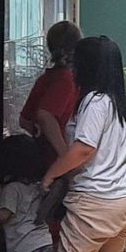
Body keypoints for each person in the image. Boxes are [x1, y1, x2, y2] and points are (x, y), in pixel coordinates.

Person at [41, 36, 126, 252]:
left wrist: (52, 173)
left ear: (86, 65)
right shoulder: (116, 102)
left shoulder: (94, 101)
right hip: (123, 198)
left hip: (96, 202)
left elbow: (84, 149)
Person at [0, 135, 53, 252]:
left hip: (23, 247)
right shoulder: (38, 185)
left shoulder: (12, 189)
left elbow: (3, 215)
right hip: (44, 242)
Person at [20, 20, 82, 162]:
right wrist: (65, 155)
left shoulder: (47, 78)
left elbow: (24, 120)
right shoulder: (66, 81)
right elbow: (45, 115)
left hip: (44, 156)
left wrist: (38, 133)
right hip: (55, 160)